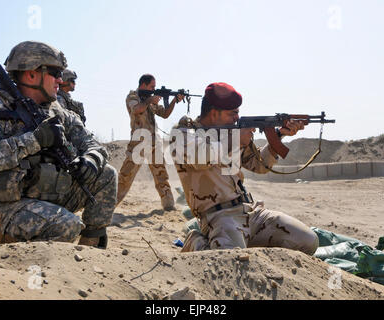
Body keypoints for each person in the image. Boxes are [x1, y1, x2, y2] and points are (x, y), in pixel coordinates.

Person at [0, 41, 117, 249]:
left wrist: (91, 159)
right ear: (31, 74)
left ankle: (88, 257)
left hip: (46, 193)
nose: (60, 80)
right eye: (55, 72)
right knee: (67, 226)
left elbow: (91, 143)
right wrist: (34, 141)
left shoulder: (57, 111)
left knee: (106, 175)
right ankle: (10, 243)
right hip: (3, 205)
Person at [171, 82, 319, 255]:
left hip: (252, 213)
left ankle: (241, 244)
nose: (236, 118)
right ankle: (196, 243)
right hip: (219, 217)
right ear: (213, 112)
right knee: (230, 260)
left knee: (308, 241)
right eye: (233, 113)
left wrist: (279, 136)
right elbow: (200, 156)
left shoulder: (231, 134)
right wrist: (235, 140)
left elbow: (259, 165)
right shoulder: (184, 133)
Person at [117, 74, 183, 211]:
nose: (154, 89)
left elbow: (164, 114)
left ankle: (168, 204)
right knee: (125, 176)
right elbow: (136, 109)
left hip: (154, 142)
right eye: (152, 86)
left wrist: (174, 101)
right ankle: (109, 204)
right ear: (143, 85)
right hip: (139, 142)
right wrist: (149, 101)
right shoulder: (133, 96)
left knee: (161, 175)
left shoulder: (150, 100)